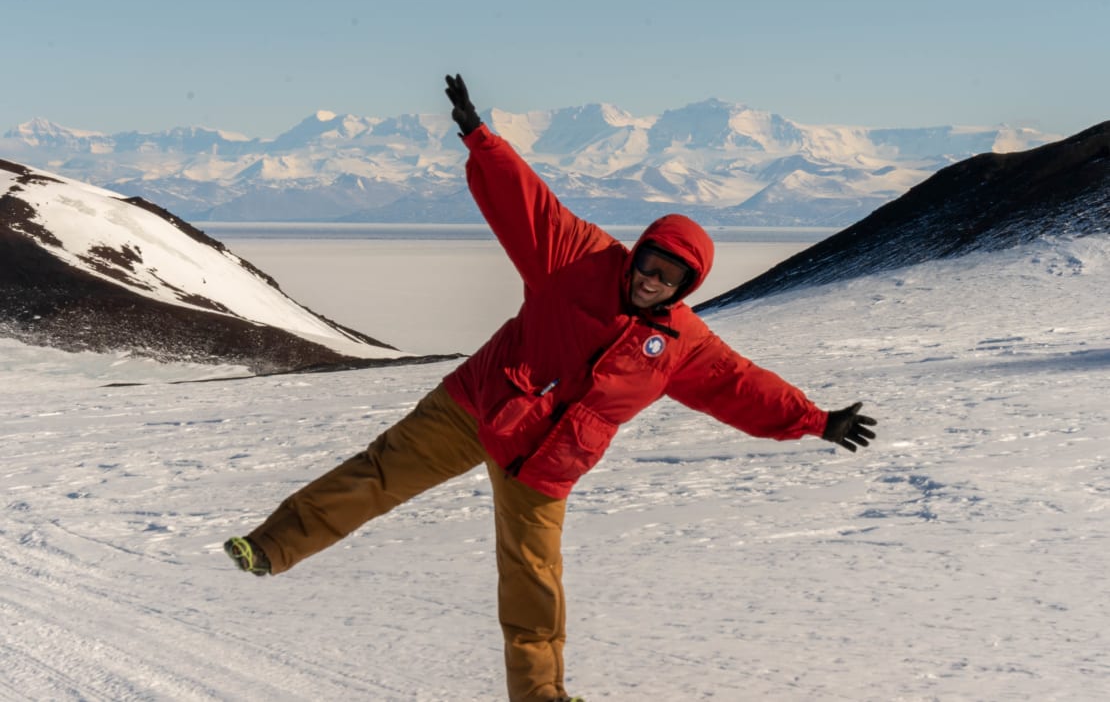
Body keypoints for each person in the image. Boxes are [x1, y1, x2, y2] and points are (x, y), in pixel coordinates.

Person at [224, 74, 877, 702]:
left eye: (669, 277)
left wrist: (817, 421)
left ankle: (541, 697)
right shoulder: (580, 259)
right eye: (649, 263)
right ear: (638, 253)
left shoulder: (682, 346)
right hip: (477, 404)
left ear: (685, 288)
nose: (651, 280)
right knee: (376, 475)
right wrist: (482, 138)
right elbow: (525, 203)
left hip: (547, 463)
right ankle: (271, 546)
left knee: (533, 581)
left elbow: (740, 387)